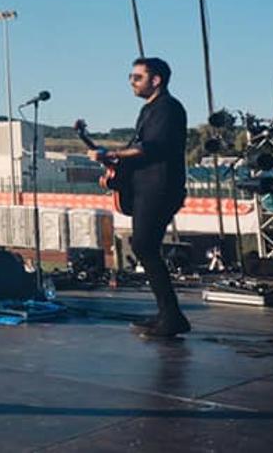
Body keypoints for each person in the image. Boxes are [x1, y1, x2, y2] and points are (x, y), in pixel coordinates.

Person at [92, 57, 189, 338]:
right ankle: (168, 314)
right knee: (145, 247)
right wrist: (114, 174)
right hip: (148, 188)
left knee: (145, 246)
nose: (131, 82)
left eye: (137, 77)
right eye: (130, 77)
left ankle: (171, 317)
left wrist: (111, 154)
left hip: (161, 188)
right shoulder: (149, 110)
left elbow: (151, 148)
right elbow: (137, 152)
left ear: (156, 80)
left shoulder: (168, 108)